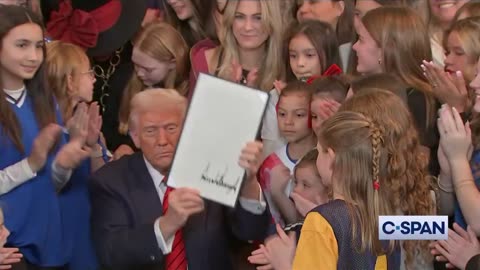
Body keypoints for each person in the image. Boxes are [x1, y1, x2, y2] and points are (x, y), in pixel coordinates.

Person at [89, 89, 270, 270]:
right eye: (151, 131)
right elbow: (111, 253)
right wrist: (167, 224)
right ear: (135, 137)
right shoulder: (111, 181)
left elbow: (250, 232)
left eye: (171, 128)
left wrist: (249, 183)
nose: (162, 140)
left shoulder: (210, 169)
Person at [0, 5, 92, 269]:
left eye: (38, 46)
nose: (33, 56)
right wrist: (31, 164)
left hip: (49, 245)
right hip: (10, 250)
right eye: (21, 45)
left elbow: (51, 185)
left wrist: (64, 163)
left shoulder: (45, 103)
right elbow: (32, 169)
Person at [43, 0, 147, 152]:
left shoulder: (136, 54)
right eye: (88, 74)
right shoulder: (67, 63)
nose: (94, 78)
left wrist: (125, 145)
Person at [115, 22, 190, 159]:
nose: (139, 73)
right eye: (136, 65)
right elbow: (112, 129)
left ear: (172, 63)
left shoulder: (189, 95)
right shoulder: (123, 80)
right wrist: (124, 145)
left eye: (148, 69)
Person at [258, 81, 317, 226]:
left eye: (299, 115)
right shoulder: (270, 165)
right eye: (282, 114)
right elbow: (270, 224)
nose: (288, 122)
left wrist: (278, 193)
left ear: (313, 116)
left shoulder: (324, 161)